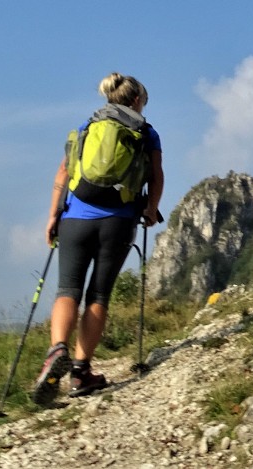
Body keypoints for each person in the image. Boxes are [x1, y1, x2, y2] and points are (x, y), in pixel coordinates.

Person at [31, 73, 164, 404]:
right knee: (98, 295)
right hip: (118, 221)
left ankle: (56, 349)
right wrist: (150, 209)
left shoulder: (85, 128)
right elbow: (156, 175)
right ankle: (80, 373)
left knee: (67, 290)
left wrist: (52, 215)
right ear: (136, 101)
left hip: (75, 217)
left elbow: (63, 173)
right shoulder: (145, 133)